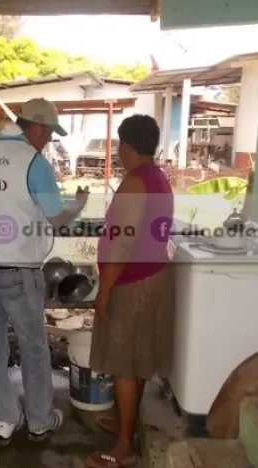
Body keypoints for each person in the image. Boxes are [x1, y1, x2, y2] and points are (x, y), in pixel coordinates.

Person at [0, 98, 90, 445]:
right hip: (16, 267)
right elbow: (56, 218)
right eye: (48, 133)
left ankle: (4, 419)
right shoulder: (33, 162)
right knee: (33, 346)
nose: (48, 140)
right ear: (37, 128)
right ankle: (40, 421)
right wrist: (78, 204)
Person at [85, 114, 175, 468]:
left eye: (119, 144)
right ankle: (127, 425)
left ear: (126, 145)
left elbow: (122, 244)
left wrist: (104, 292)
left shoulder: (136, 183)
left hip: (132, 281)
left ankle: (124, 447)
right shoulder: (158, 178)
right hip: (150, 277)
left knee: (123, 363)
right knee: (135, 358)